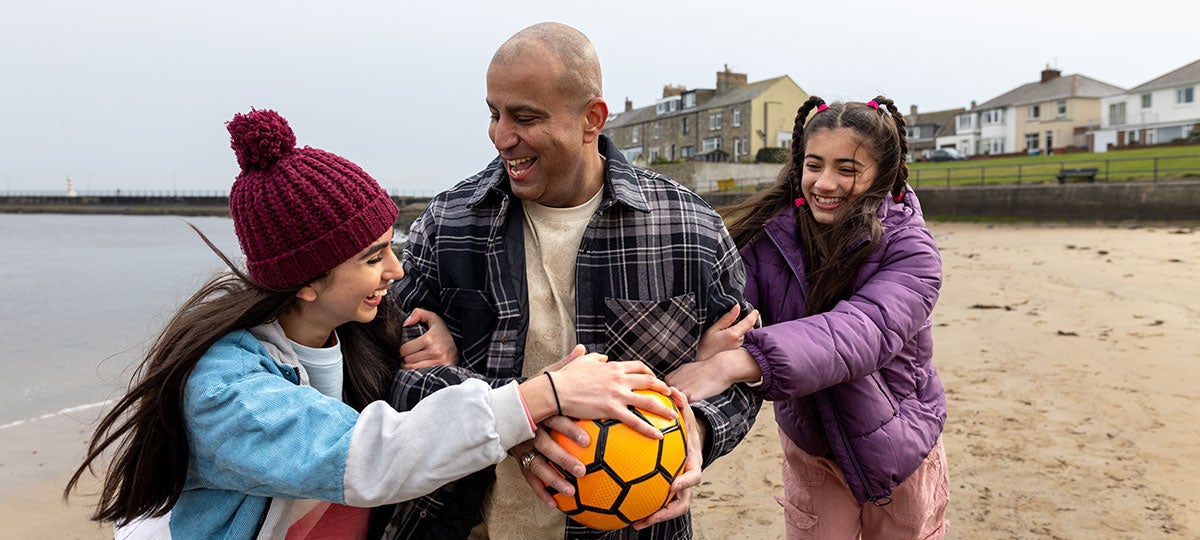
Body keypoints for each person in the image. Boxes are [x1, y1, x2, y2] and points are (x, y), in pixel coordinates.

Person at [63, 108, 680, 539]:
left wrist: (723, 363)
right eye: (370, 257)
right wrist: (543, 395)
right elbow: (369, 457)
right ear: (304, 281)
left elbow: (427, 406)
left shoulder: (360, 335)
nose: (396, 269)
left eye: (391, 244)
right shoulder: (227, 390)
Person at [384, 22, 761, 540]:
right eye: (494, 114)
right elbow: (386, 376)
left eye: (525, 117)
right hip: (465, 524)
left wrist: (695, 429)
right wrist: (512, 423)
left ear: (592, 119)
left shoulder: (690, 229)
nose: (501, 137)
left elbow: (739, 379)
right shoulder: (448, 225)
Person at [667, 96, 950, 538]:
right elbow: (732, 314)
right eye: (814, 165)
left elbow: (862, 331)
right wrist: (711, 344)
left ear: (883, 175)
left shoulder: (911, 250)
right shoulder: (768, 241)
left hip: (901, 450)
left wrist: (737, 363)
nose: (825, 182)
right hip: (812, 452)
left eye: (847, 169)